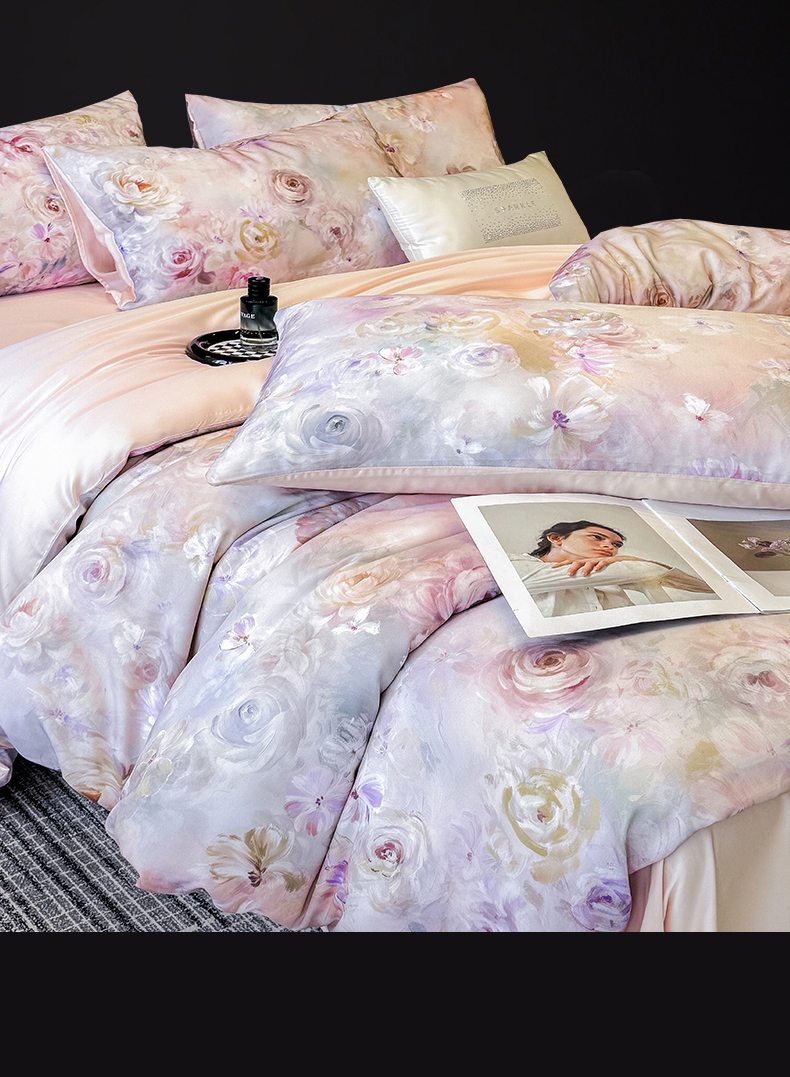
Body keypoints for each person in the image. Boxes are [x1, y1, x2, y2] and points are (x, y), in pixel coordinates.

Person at [511, 519, 714, 617]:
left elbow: (706, 587)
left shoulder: (615, 571)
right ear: (556, 538)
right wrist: (635, 563)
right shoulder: (515, 563)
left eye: (616, 545)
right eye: (597, 537)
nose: (610, 547)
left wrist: (631, 561)